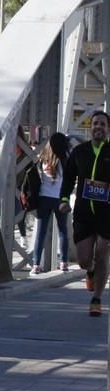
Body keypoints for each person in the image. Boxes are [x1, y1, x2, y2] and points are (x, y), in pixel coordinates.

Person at [60, 111, 110, 316]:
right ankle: (90, 271)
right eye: (95, 123)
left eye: (103, 124)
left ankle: (96, 299)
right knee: (83, 259)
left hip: (106, 212)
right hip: (83, 213)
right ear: (91, 127)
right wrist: (64, 200)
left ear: (108, 129)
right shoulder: (80, 152)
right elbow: (68, 178)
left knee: (103, 252)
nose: (98, 127)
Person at [30, 132, 70, 275]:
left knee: (41, 233)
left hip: (44, 198)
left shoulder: (44, 156)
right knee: (63, 231)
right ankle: (64, 263)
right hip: (60, 199)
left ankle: (35, 265)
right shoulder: (66, 158)